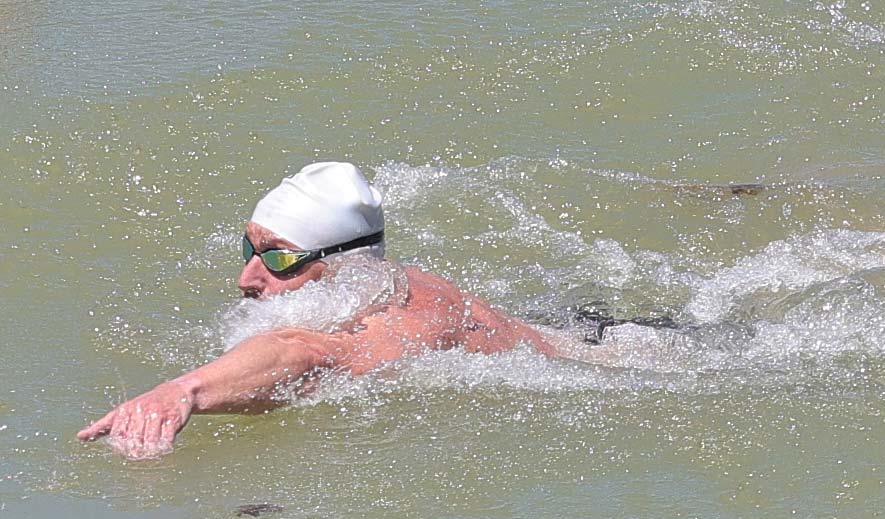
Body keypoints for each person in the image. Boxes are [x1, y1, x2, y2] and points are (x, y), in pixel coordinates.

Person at [78, 162, 629, 459]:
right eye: (250, 249)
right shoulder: (369, 287)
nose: (248, 277)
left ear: (342, 262)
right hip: (567, 322)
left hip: (629, 357)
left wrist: (184, 391)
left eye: (279, 258)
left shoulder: (403, 321)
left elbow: (310, 353)